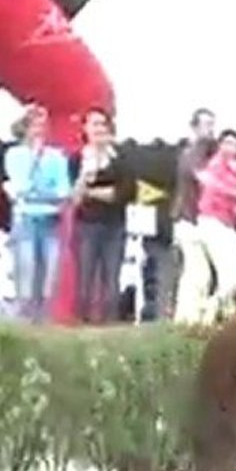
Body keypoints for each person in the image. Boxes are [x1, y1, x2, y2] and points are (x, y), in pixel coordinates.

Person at [3, 106, 71, 322]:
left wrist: (40, 194)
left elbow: (63, 191)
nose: (40, 131)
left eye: (43, 126)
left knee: (50, 272)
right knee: (26, 269)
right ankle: (25, 319)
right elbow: (20, 187)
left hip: (50, 219)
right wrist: (34, 161)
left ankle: (44, 319)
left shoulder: (57, 157)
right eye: (35, 126)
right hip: (25, 218)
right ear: (25, 128)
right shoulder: (14, 154)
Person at [69, 107, 136, 324]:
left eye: (102, 124)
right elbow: (74, 197)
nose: (99, 129)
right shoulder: (77, 158)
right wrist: (86, 177)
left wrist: (92, 192)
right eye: (94, 124)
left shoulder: (120, 158)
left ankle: (110, 322)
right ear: (85, 129)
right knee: (85, 277)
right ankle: (82, 322)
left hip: (115, 225)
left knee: (112, 277)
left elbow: (124, 193)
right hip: (86, 224)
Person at [192, 128, 236, 324]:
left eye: (235, 144)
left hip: (228, 224)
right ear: (220, 146)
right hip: (211, 222)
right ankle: (213, 308)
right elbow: (211, 185)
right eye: (227, 143)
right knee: (233, 274)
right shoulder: (215, 165)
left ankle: (220, 311)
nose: (231, 148)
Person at [170, 108, 216, 323]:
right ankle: (187, 315)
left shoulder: (204, 153)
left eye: (212, 125)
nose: (210, 130)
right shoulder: (192, 153)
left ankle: (187, 316)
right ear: (195, 127)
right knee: (197, 272)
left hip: (194, 219)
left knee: (197, 270)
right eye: (206, 125)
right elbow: (204, 178)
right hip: (188, 218)